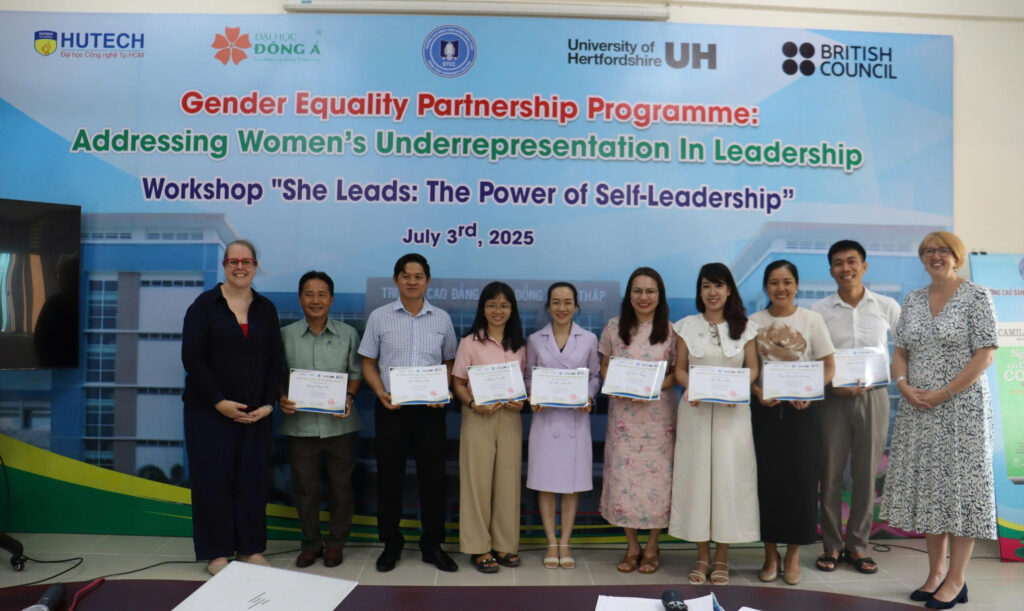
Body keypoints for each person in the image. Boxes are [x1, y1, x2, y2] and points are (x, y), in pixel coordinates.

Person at [880, 231, 997, 609]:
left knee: (961, 492)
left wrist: (945, 392)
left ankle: (957, 579)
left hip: (962, 410)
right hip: (920, 408)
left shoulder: (977, 296)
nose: (936, 256)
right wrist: (903, 384)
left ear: (957, 256)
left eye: (943, 250)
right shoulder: (913, 300)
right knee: (932, 490)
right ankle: (935, 573)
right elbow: (900, 351)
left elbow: (985, 356)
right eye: (928, 251)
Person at [181, 239, 283, 575]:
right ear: (225, 265)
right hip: (209, 412)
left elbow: (276, 360)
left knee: (252, 480)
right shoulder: (203, 306)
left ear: (255, 266)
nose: (240, 267)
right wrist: (219, 401)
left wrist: (269, 404)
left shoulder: (266, 308)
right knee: (213, 480)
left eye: (246, 261)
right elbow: (193, 358)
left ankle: (251, 549)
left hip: (256, 414)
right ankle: (217, 553)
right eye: (233, 261)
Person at [358, 253, 459, 573]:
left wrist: (441, 389)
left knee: (433, 479)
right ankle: (391, 543)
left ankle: (432, 544)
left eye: (418, 276)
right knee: (389, 478)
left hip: (430, 411)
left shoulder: (441, 319)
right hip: (392, 408)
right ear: (396, 280)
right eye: (406, 276)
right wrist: (380, 392)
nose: (412, 281)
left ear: (427, 281)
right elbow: (367, 362)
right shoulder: (379, 317)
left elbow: (450, 361)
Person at [810, 241, 900, 575]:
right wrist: (831, 385)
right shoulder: (819, 311)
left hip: (874, 396)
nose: (845, 268)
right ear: (831, 270)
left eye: (851, 261)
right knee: (830, 472)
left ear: (864, 266)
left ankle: (859, 546)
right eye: (838, 263)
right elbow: (813, 356)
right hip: (832, 397)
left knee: (866, 472)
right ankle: (832, 545)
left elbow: (904, 349)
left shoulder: (887, 306)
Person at [669, 263, 759, 586]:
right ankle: (701, 556)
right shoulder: (685, 326)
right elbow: (680, 369)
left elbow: (752, 369)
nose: (712, 292)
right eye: (706, 286)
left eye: (719, 285)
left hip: (732, 417)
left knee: (728, 481)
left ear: (729, 289)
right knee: (696, 481)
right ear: (700, 291)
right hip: (695, 412)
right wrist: (691, 386)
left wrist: (737, 389)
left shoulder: (746, 328)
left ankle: (722, 556)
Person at [750, 260, 835, 586]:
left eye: (787, 282)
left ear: (796, 285)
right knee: (767, 484)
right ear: (766, 287)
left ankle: (794, 555)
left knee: (801, 484)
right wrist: (758, 392)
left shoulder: (812, 320)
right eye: (774, 282)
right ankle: (770, 554)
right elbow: (749, 370)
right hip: (765, 413)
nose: (781, 288)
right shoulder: (754, 322)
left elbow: (829, 366)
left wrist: (811, 391)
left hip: (803, 413)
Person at [278, 271, 363, 568]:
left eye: (322, 294)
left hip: (341, 425)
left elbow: (356, 374)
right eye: (309, 294)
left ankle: (336, 543)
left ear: (331, 299)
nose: (316, 300)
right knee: (305, 488)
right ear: (300, 298)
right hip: (299, 426)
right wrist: (281, 397)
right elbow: (276, 376)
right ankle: (311, 543)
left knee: (342, 487)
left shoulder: (348, 334)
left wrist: (349, 396)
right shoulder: (285, 335)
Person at [599, 267, 677, 575]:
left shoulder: (672, 331)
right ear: (629, 295)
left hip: (659, 421)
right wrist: (622, 386)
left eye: (650, 291)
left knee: (659, 482)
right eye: (638, 291)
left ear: (660, 296)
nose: (644, 297)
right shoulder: (613, 327)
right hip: (624, 420)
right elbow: (604, 367)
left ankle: (653, 547)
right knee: (623, 481)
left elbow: (678, 374)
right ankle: (632, 547)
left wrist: (651, 389)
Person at [524, 282, 601, 570]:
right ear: (548, 306)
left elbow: (595, 376)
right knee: (545, 484)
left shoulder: (589, 339)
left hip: (574, 421)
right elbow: (528, 377)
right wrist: (533, 395)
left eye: (568, 302)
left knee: (571, 486)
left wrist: (588, 396)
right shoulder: (535, 340)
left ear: (576, 306)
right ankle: (550, 543)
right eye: (556, 302)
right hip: (546, 420)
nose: (562, 308)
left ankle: (565, 543)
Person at [452, 282, 528, 573]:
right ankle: (479, 547)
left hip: (510, 418)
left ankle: (504, 544)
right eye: (492, 305)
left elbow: (525, 383)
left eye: (504, 305)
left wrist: (523, 401)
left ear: (512, 310)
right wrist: (473, 404)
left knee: (508, 481)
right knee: (476, 481)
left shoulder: (520, 344)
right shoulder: (469, 342)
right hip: (478, 416)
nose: (498, 311)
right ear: (483, 308)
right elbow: (458, 382)